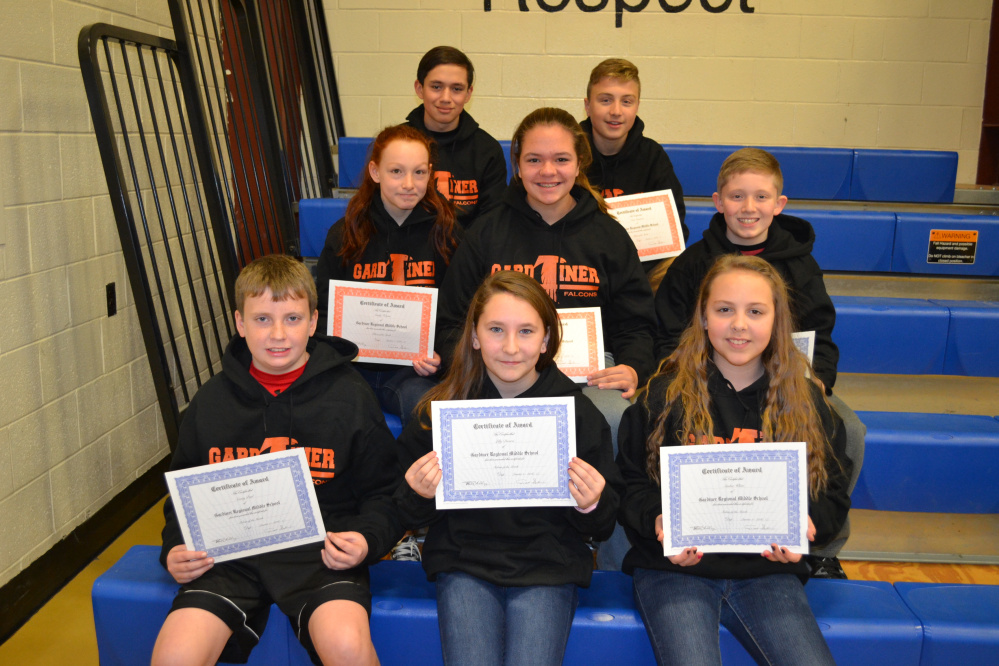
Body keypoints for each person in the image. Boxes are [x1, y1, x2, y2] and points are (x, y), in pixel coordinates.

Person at [152, 254, 401, 666]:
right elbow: (183, 497)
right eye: (263, 319)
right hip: (228, 557)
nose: (278, 334)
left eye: (292, 318)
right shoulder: (210, 402)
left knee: (347, 647)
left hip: (320, 554)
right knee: (175, 655)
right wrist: (175, 547)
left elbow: (383, 492)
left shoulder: (350, 396)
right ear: (239, 323)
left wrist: (365, 540)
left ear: (314, 322)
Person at [619, 254, 851, 666]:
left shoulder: (806, 401)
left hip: (767, 571)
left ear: (777, 322)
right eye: (724, 310)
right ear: (704, 318)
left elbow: (831, 491)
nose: (739, 324)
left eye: (755, 311)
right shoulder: (663, 395)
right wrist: (658, 521)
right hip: (674, 572)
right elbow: (630, 484)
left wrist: (807, 530)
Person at [395, 270, 622, 666]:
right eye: (497, 329)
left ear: (547, 339)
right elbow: (403, 509)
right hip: (464, 562)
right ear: (475, 336)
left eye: (527, 331)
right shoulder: (441, 413)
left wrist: (591, 504)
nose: (511, 347)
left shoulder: (576, 414)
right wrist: (418, 494)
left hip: (547, 566)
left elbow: (601, 525)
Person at [654, 148, 864, 576]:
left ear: (779, 204)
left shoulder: (802, 266)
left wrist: (818, 381)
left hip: (786, 386)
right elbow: (665, 335)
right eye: (737, 197)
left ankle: (819, 543)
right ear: (717, 202)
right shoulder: (692, 264)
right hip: (704, 384)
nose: (748, 208)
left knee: (850, 429)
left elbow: (822, 334)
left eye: (761, 197)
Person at [315, 124, 462, 427]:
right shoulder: (344, 234)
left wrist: (440, 356)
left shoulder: (448, 234)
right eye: (396, 171)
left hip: (413, 372)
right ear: (375, 171)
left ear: (430, 173)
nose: (409, 183)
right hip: (353, 368)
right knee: (329, 416)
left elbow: (457, 312)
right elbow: (323, 310)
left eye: (419, 173)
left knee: (429, 418)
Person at [405, 45, 507, 229]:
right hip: (411, 252)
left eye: (457, 89)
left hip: (467, 253)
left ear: (468, 93)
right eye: (436, 87)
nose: (446, 97)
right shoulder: (395, 145)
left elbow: (492, 223)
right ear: (419, 89)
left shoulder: (488, 150)